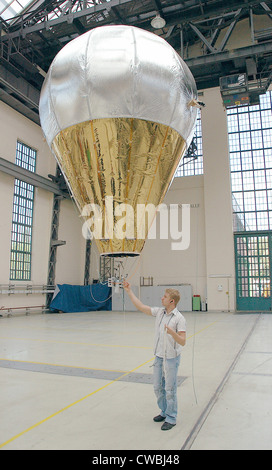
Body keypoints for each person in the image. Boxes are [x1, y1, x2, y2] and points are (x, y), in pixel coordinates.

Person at [123, 281, 186, 431]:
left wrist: (173, 333)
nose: (161, 298)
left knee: (170, 389)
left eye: (164, 297)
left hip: (171, 358)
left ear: (172, 301)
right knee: (158, 387)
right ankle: (164, 411)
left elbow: (183, 341)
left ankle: (171, 418)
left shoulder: (179, 318)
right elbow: (141, 307)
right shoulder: (159, 312)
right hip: (159, 357)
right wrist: (129, 291)